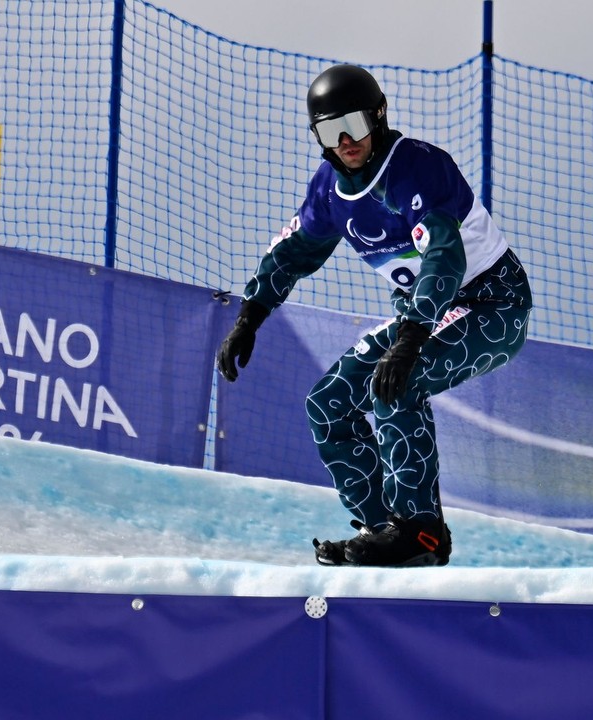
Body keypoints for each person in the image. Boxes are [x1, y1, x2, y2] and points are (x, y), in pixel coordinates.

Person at [218, 64, 532, 567]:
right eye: (329, 131)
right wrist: (250, 316)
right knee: (328, 403)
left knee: (396, 382)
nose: (345, 141)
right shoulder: (329, 190)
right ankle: (382, 527)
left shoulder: (419, 167)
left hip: (491, 302)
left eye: (355, 126)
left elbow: (444, 256)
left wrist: (409, 339)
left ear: (379, 116)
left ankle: (421, 533)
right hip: (425, 316)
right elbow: (293, 252)